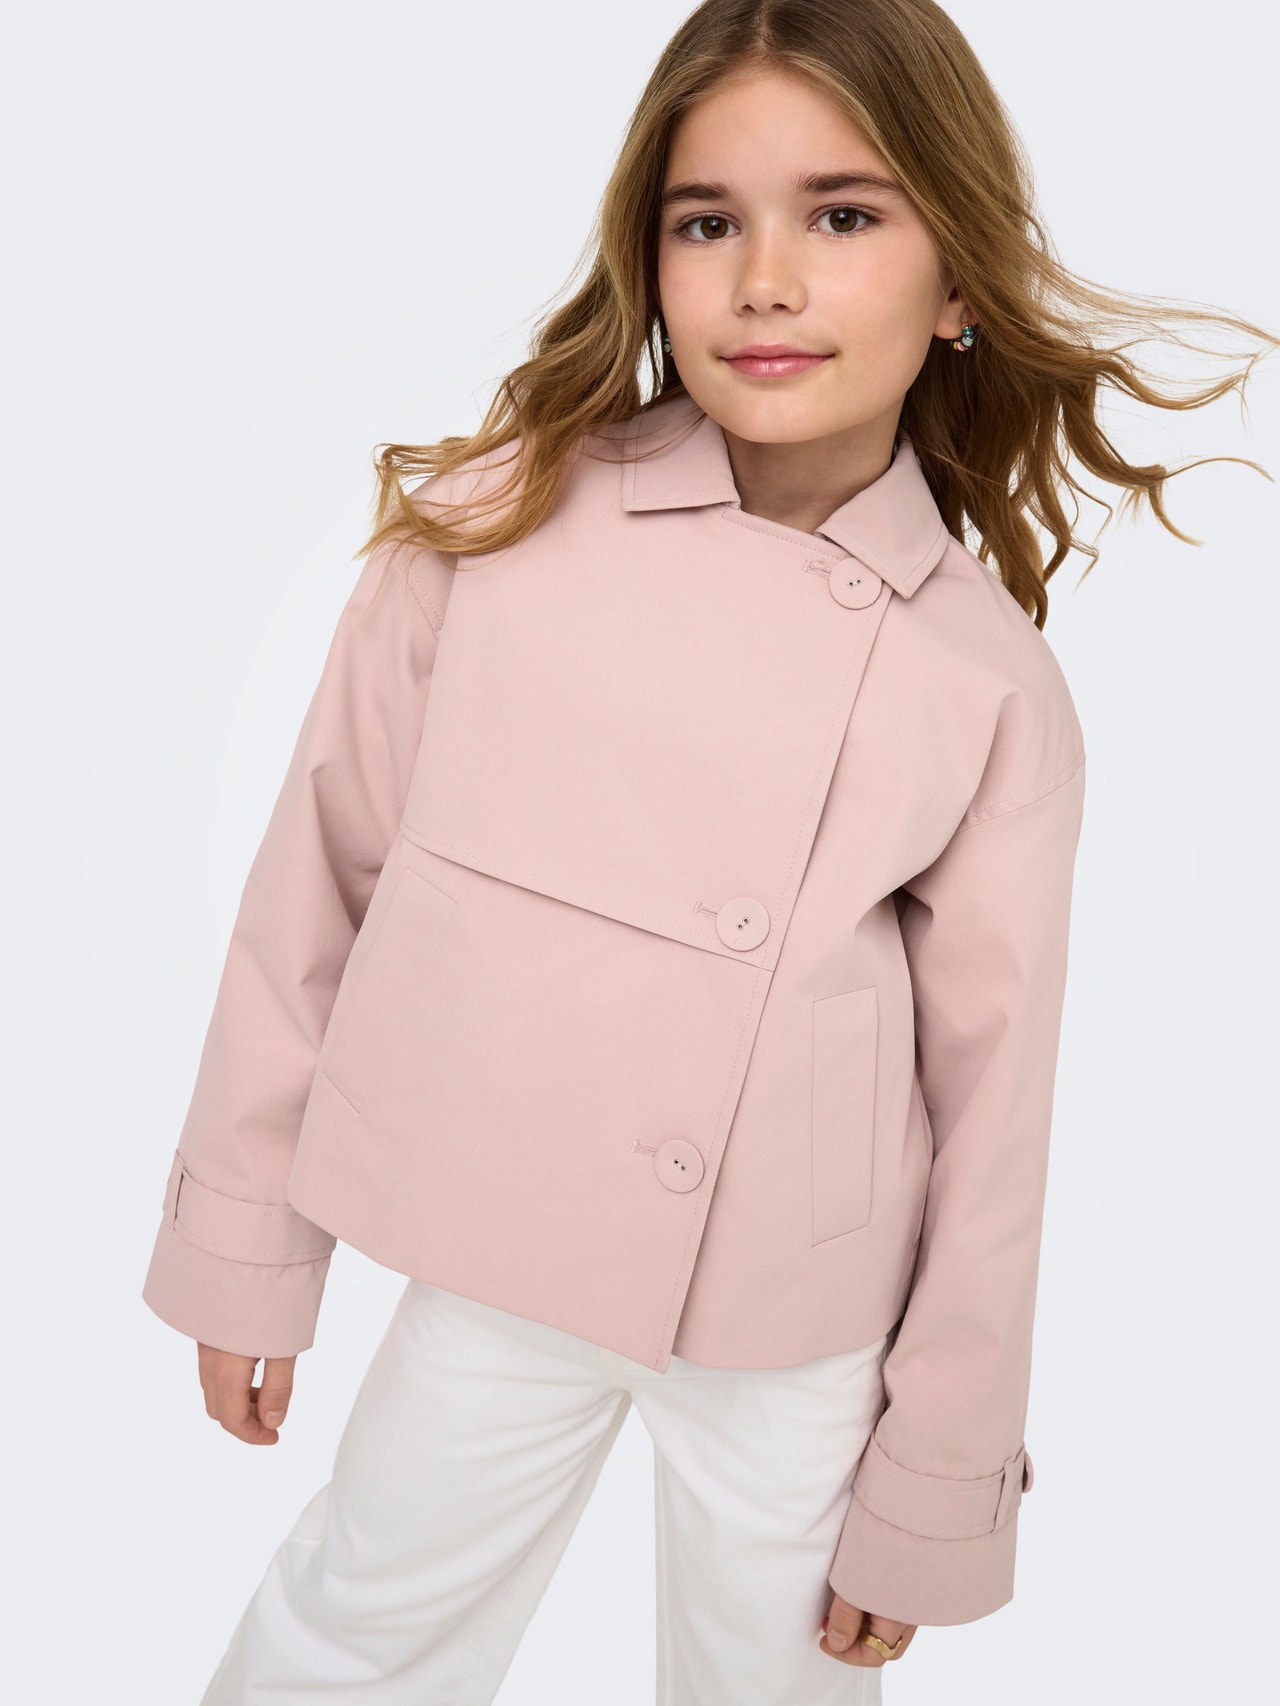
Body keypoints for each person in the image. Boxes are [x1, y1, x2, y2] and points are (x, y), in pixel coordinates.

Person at [140, 1, 1276, 1700]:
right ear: (651, 260)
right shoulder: (495, 523)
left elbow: (994, 1115)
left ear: (957, 281)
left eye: (844, 214)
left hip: (795, 1325)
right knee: (351, 1629)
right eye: (706, 221)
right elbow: (320, 878)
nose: (766, 279)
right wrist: (248, 1244)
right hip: (500, 1240)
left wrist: (935, 1471)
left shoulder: (987, 682)